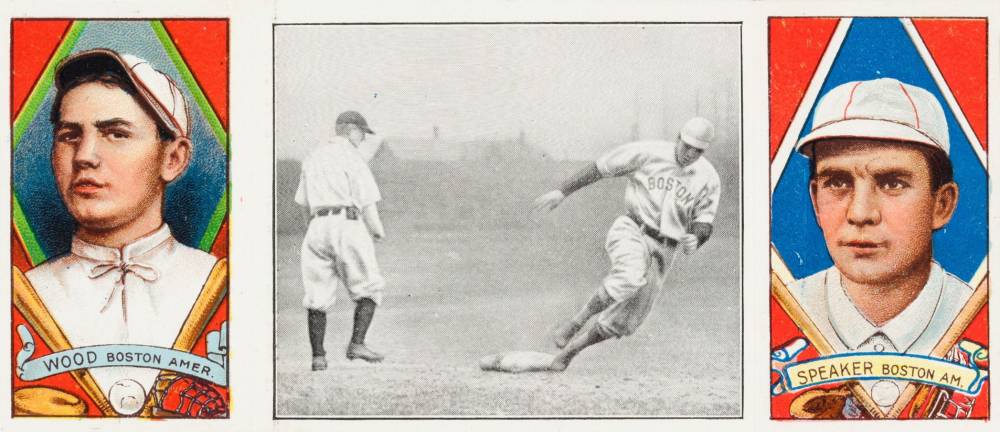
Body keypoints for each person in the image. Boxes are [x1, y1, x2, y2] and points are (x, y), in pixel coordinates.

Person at [22, 49, 221, 415]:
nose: (85, 156)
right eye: (69, 135)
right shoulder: (21, 292)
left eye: (115, 133)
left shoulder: (219, 283)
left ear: (172, 158)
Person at [789, 77, 972, 411]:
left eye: (892, 183)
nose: (861, 213)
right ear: (815, 201)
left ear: (941, 205)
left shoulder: (978, 315)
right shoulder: (784, 311)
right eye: (838, 182)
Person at [532, 116, 722, 371]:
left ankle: (567, 355)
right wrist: (562, 191)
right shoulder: (647, 152)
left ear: (704, 150)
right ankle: (575, 322)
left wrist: (697, 237)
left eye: (697, 150)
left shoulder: (708, 177)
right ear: (678, 137)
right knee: (629, 276)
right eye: (686, 145)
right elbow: (601, 167)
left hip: (666, 248)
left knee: (628, 319)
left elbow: (705, 219)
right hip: (633, 229)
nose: (690, 153)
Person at [296, 110, 388, 371]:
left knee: (317, 293)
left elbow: (303, 204)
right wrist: (377, 230)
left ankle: (318, 357)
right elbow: (367, 201)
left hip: (316, 226)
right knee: (370, 286)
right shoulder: (353, 157)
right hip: (346, 222)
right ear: (351, 130)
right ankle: (357, 343)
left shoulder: (312, 157)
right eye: (362, 133)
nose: (362, 139)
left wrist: (313, 228)